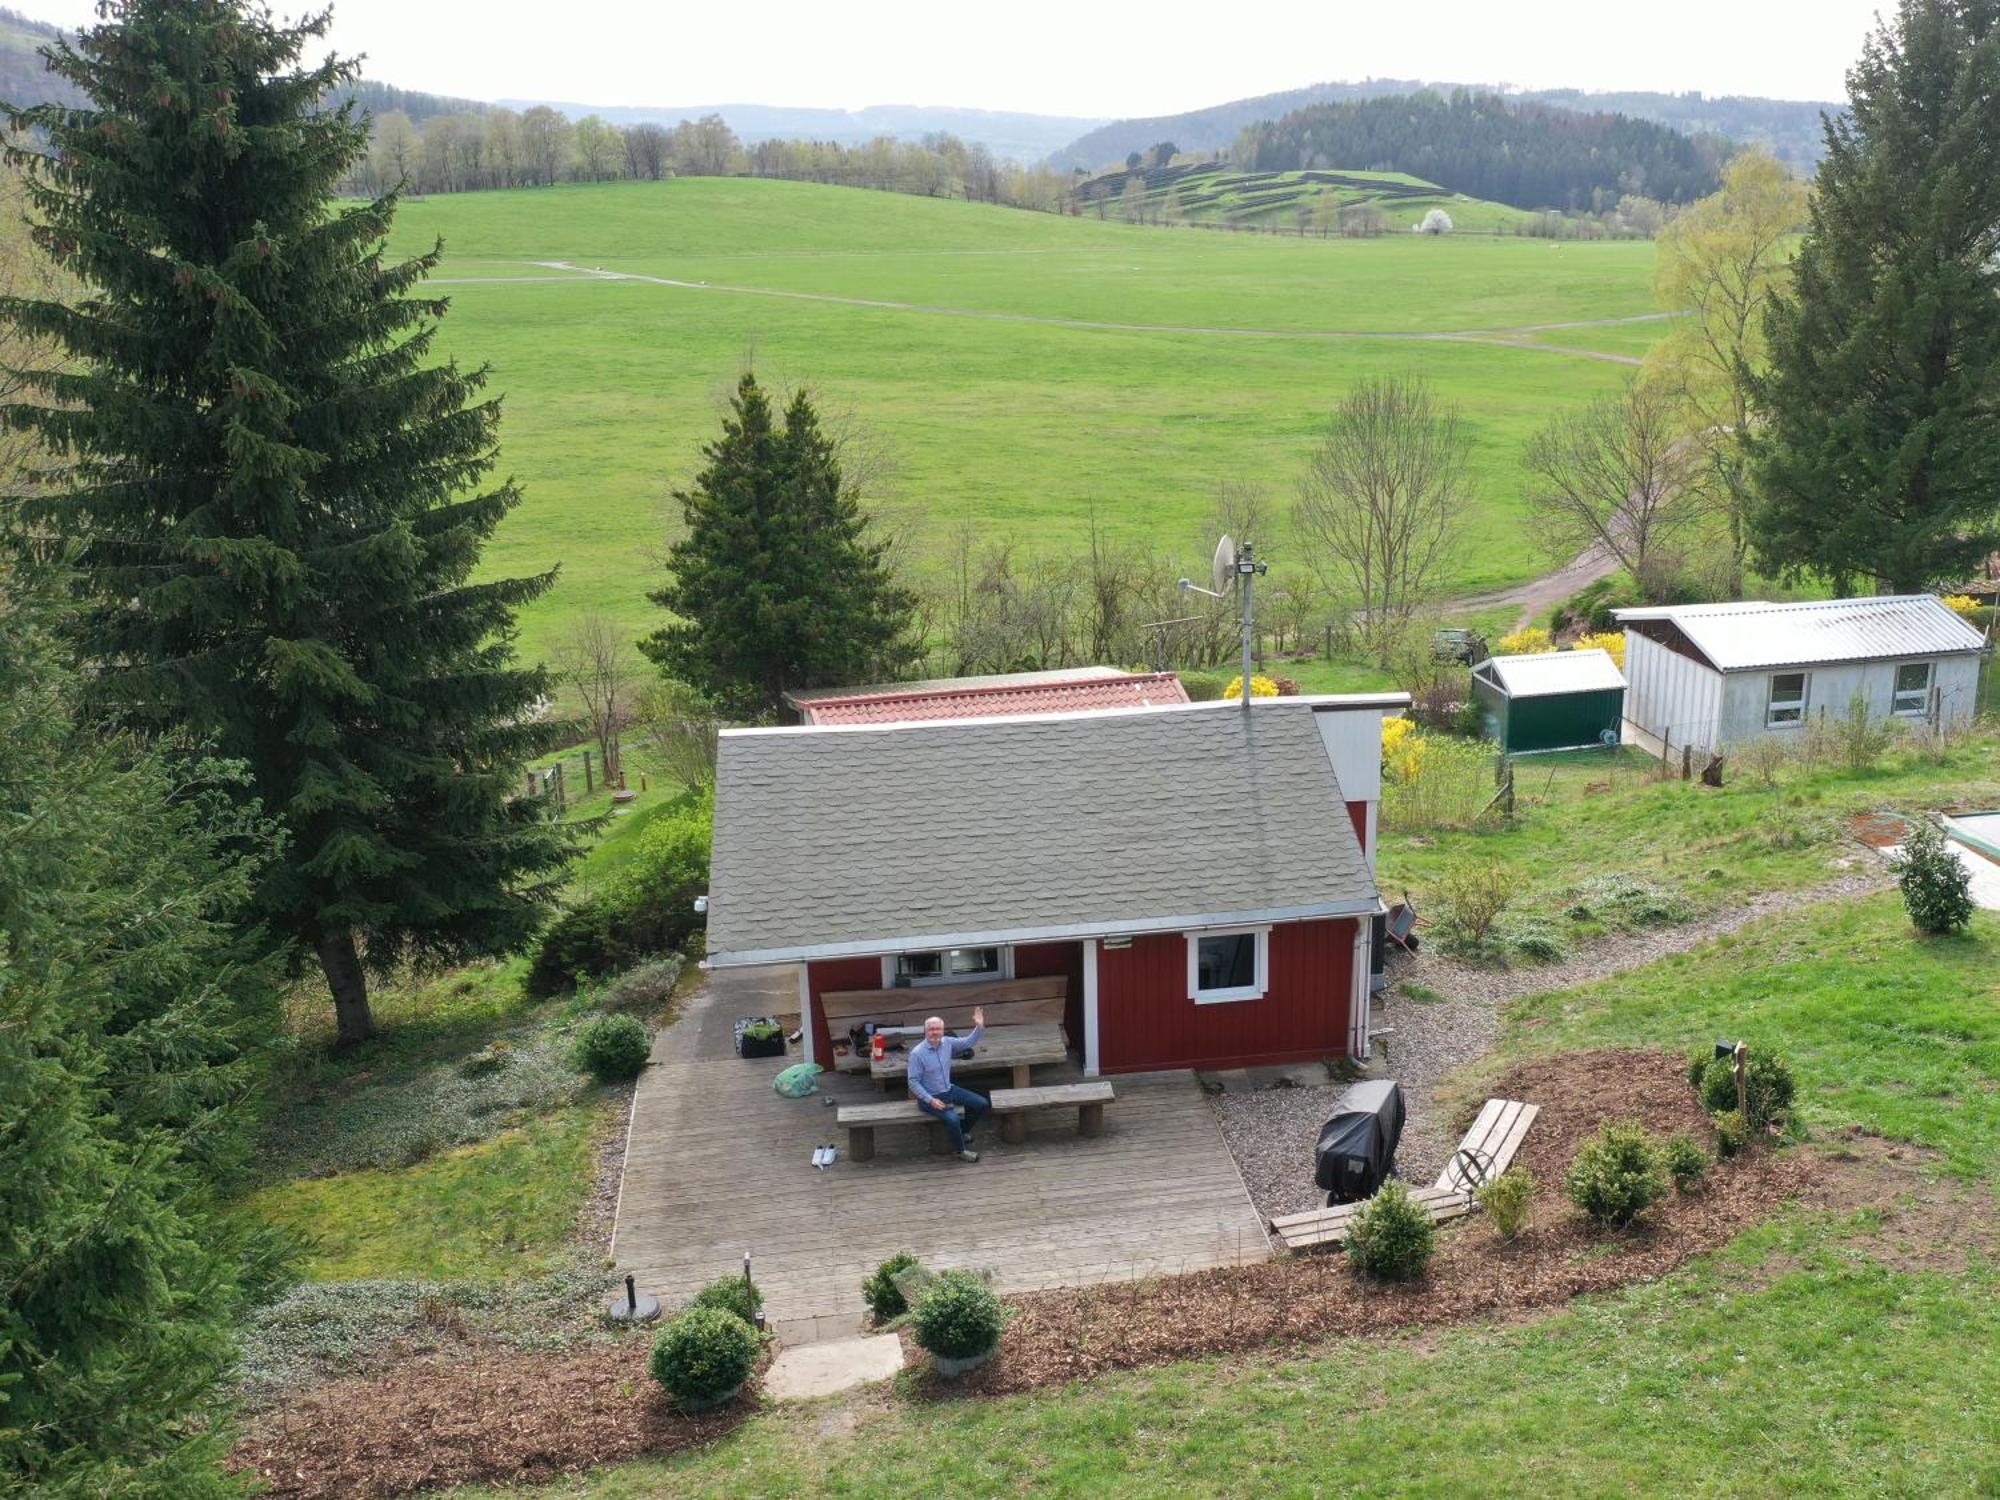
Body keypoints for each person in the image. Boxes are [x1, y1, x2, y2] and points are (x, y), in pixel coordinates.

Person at [906, 1007, 987, 1162]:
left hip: (948, 1090)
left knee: (981, 1103)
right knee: (953, 1118)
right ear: (925, 1031)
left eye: (938, 1029)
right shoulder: (917, 1053)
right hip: (929, 1098)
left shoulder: (947, 1042)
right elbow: (913, 1081)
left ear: (943, 1030)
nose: (935, 1032)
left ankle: (961, 1133)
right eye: (931, 1029)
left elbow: (967, 1042)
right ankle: (959, 1150)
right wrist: (930, 1100)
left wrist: (979, 1027)